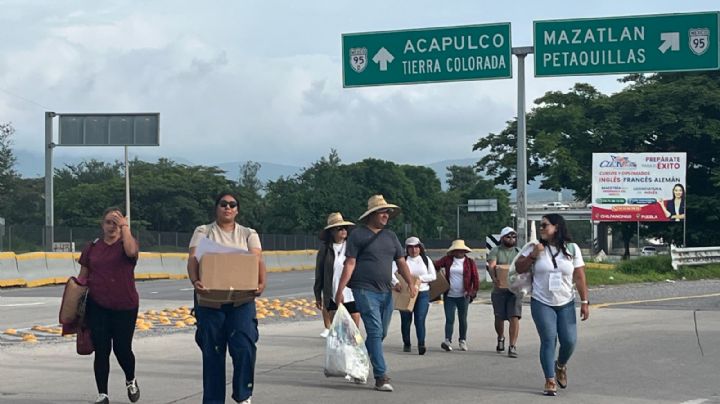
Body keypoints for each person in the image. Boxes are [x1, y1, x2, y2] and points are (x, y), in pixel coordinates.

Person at [187, 192, 267, 404]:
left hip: (241, 300)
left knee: (244, 344)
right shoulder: (204, 231)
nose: (228, 208)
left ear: (237, 210)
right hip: (210, 299)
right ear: (217, 208)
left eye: (232, 205)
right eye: (223, 204)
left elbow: (257, 260)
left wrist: (260, 284)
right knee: (212, 351)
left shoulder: (248, 234)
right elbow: (193, 259)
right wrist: (195, 282)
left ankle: (243, 394)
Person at [335, 194, 417, 393]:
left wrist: (410, 283)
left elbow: (401, 261)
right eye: (382, 211)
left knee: (381, 333)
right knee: (374, 331)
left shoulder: (391, 237)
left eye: (388, 212)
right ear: (371, 214)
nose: (386, 215)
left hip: (386, 291)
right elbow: (350, 263)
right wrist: (340, 290)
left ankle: (358, 362)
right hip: (364, 290)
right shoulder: (358, 235)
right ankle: (381, 376)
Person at [514, 214, 590, 396]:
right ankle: (549, 379)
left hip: (565, 302)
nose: (541, 229)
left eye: (544, 225)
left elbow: (579, 276)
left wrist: (585, 301)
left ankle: (560, 365)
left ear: (556, 227)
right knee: (548, 339)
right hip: (542, 301)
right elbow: (518, 267)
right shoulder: (535, 247)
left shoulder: (572, 248)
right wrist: (533, 256)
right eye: (540, 226)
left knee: (569, 341)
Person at [77, 207, 140, 404]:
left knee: (122, 349)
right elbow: (83, 274)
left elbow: (132, 252)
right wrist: (75, 300)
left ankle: (130, 379)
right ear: (102, 225)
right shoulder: (92, 247)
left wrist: (125, 227)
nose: (112, 226)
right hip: (98, 305)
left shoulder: (126, 244)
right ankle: (102, 394)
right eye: (108, 222)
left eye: (116, 223)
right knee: (102, 350)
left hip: (125, 306)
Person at [314, 212, 361, 331]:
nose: (343, 231)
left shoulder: (352, 246)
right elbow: (319, 273)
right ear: (332, 232)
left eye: (345, 228)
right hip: (332, 291)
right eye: (339, 229)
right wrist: (318, 295)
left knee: (354, 322)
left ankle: (353, 346)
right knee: (337, 327)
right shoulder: (325, 249)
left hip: (351, 291)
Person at [391, 236, 436, 355]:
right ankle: (407, 343)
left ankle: (421, 343)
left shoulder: (426, 260)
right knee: (406, 320)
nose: (414, 250)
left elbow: (433, 276)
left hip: (422, 292)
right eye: (410, 247)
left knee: (420, 319)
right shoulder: (402, 260)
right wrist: (396, 282)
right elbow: (391, 272)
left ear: (420, 248)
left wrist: (418, 279)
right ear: (406, 249)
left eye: (416, 247)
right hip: (406, 293)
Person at [434, 240, 479, 352]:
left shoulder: (470, 262)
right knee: (449, 318)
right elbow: (435, 265)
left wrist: (472, 291)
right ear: (453, 251)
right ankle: (447, 340)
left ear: (465, 251)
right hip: (449, 295)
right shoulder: (447, 260)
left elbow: (475, 278)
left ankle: (462, 340)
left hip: (464, 295)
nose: (459, 252)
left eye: (461, 250)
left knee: (462, 318)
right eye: (457, 250)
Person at [486, 226, 522, 358]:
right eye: (508, 236)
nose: (511, 239)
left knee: (514, 317)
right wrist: (494, 277)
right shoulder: (495, 251)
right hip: (499, 289)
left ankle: (512, 345)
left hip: (515, 290)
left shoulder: (518, 252)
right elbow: (492, 265)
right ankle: (500, 337)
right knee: (499, 317)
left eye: (513, 237)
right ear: (502, 238)